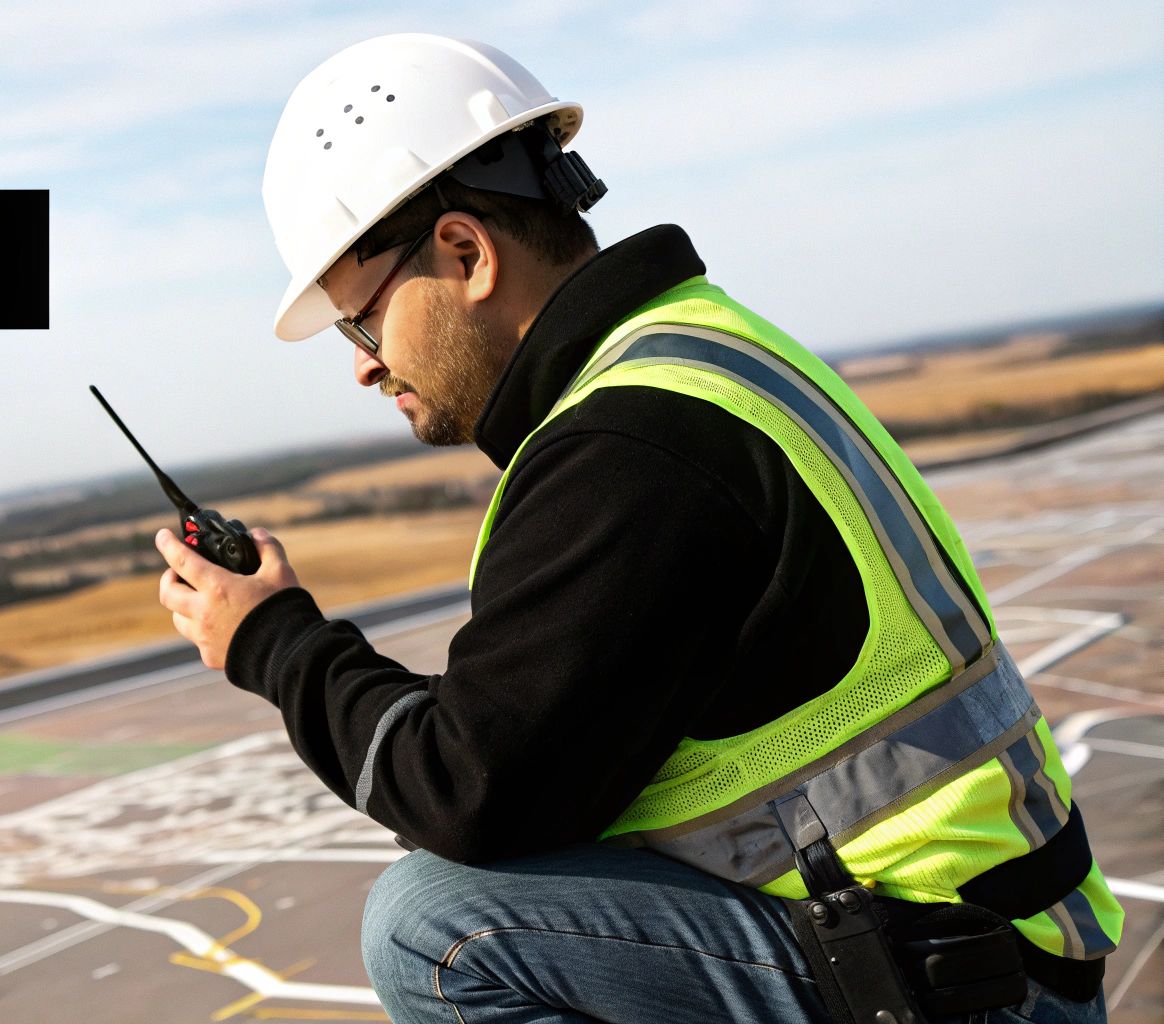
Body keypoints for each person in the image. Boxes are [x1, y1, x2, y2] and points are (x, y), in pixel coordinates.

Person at [151, 33, 1122, 1024]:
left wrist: (273, 642)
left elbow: (466, 790)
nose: (362, 364)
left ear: (465, 253)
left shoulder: (628, 447)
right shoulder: (695, 351)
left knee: (437, 929)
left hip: (953, 985)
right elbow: (530, 741)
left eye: (361, 322)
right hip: (979, 948)